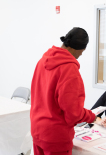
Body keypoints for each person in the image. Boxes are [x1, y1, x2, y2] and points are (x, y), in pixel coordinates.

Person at [30, 27, 96, 155]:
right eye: (82, 52)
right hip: (55, 136)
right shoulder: (69, 69)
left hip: (37, 129)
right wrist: (91, 117)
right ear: (80, 48)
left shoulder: (43, 61)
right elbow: (73, 112)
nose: (80, 56)